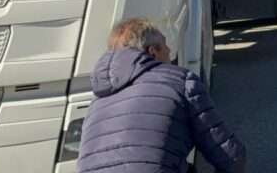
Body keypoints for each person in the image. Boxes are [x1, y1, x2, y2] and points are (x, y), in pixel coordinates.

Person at [77, 18, 247, 173]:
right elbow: (230, 156)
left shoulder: (97, 102)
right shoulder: (180, 81)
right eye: (165, 44)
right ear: (153, 52)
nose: (169, 50)